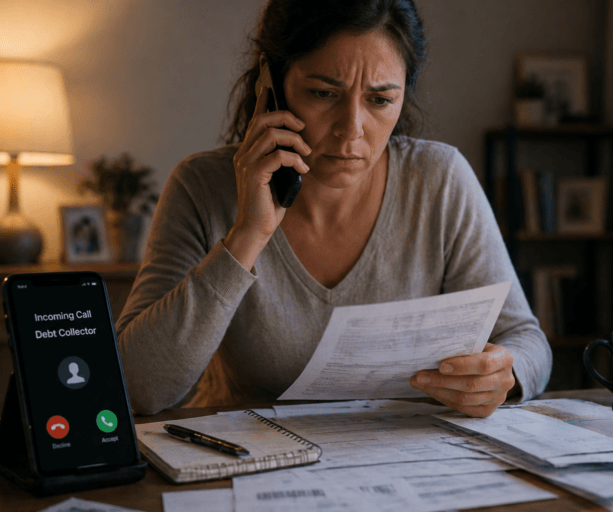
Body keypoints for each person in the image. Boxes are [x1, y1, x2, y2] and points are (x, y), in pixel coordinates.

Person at [116, 0, 551, 416]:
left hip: (406, 463)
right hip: (254, 464)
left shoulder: (440, 179)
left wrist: (504, 375)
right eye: (324, 93)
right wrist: (247, 236)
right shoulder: (201, 188)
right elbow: (138, 387)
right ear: (271, 83)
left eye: (380, 100)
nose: (351, 131)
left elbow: (526, 341)